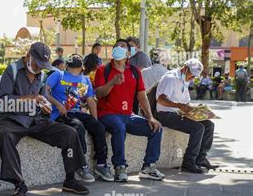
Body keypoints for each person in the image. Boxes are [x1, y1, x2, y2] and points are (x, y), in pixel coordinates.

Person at [0, 42, 90, 196]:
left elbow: (42, 99)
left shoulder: (41, 75)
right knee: (5, 134)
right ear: (28, 56)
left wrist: (45, 107)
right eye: (37, 64)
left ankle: (70, 179)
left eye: (42, 65)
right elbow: (4, 102)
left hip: (36, 119)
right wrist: (30, 98)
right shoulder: (12, 70)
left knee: (70, 133)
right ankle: (19, 183)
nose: (39, 68)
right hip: (13, 119)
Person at [94, 39, 164, 182]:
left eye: (123, 46)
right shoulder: (103, 70)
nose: (119, 48)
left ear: (128, 53)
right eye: (116, 46)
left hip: (128, 116)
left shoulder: (135, 71)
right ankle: (120, 168)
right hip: (108, 114)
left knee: (156, 128)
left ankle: (148, 167)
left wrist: (150, 117)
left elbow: (141, 95)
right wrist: (112, 82)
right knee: (119, 128)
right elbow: (99, 94)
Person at [45, 54, 113, 182]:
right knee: (77, 127)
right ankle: (81, 165)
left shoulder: (84, 80)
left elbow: (90, 100)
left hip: (76, 111)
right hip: (60, 113)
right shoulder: (58, 75)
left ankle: (101, 164)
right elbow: (45, 92)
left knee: (99, 127)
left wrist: (95, 121)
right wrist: (57, 104)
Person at [156, 59, 218, 173]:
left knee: (209, 125)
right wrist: (179, 105)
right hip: (167, 114)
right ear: (184, 68)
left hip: (179, 112)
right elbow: (161, 100)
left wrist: (198, 109)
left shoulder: (184, 79)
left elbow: (186, 102)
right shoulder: (170, 78)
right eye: (192, 75)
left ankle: (201, 158)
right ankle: (188, 162)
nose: (192, 78)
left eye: (195, 76)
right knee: (198, 128)